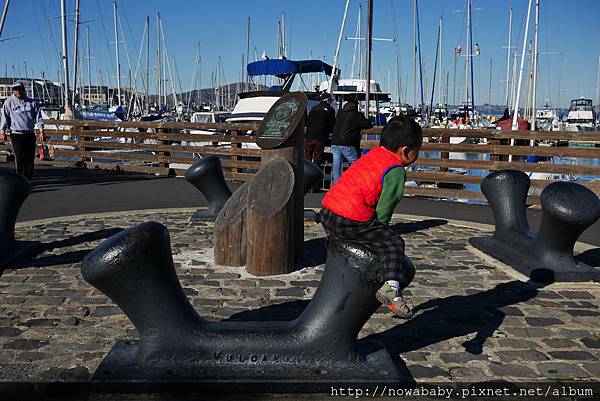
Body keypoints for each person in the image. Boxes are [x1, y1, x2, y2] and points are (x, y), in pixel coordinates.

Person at [320, 115, 423, 319]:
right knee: (393, 242)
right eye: (418, 150)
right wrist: (379, 233)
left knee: (367, 235)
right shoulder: (395, 171)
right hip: (349, 219)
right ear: (405, 151)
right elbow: (384, 210)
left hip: (328, 212)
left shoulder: (374, 155)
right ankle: (391, 288)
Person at [0, 81, 45, 180]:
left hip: (29, 134)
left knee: (29, 159)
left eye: (20, 89)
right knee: (19, 157)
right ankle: (20, 179)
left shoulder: (32, 102)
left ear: (23, 89)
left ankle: (28, 180)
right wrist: (2, 132)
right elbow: (4, 118)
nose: (18, 91)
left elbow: (38, 117)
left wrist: (41, 130)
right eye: (16, 89)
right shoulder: (9, 102)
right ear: (13, 91)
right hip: (16, 134)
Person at [330, 100, 372, 183]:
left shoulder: (340, 113)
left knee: (336, 163)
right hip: (347, 142)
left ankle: (336, 184)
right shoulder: (357, 115)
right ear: (356, 106)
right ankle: (354, 182)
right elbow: (368, 124)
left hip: (334, 141)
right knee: (355, 163)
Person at [304, 92, 336, 166]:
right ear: (328, 100)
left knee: (307, 156)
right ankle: (315, 174)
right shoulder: (330, 110)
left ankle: (305, 173)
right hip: (320, 136)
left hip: (309, 136)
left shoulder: (313, 108)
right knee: (317, 157)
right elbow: (332, 125)